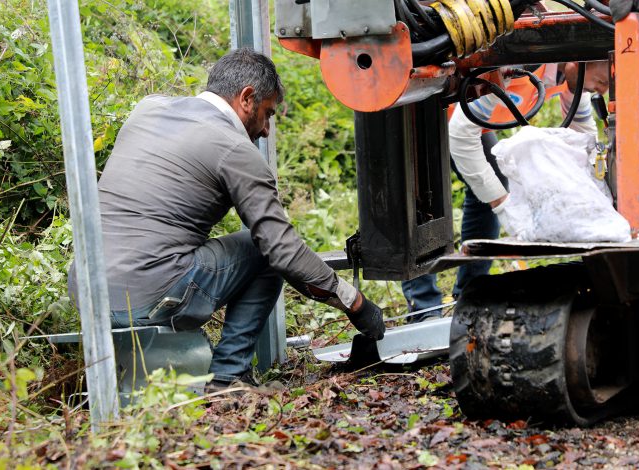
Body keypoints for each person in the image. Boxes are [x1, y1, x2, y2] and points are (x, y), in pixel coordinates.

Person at [68, 48, 385, 388]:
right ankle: (228, 377)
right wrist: (356, 303)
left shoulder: (147, 109)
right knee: (263, 249)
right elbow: (283, 251)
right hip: (148, 296)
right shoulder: (235, 149)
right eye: (267, 114)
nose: (265, 130)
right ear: (247, 98)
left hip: (87, 293)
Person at [403, 61, 610, 320]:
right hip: (421, 104)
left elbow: (583, 139)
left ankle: (468, 295)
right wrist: (502, 205)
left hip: (464, 118)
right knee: (421, 197)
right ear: (580, 60)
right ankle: (424, 309)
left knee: (493, 184)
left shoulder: (574, 79)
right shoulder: (516, 63)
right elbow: (460, 135)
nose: (601, 90)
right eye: (602, 81)